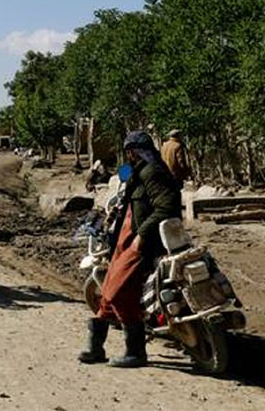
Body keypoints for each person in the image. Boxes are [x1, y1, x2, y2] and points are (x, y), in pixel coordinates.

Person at [78, 130, 180, 368]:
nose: (127, 156)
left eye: (129, 152)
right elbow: (121, 181)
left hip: (141, 243)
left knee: (118, 291)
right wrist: (96, 176)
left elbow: (167, 207)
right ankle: (95, 348)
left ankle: (136, 351)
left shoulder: (153, 171)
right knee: (107, 292)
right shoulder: (135, 169)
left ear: (135, 151)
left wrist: (142, 236)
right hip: (122, 241)